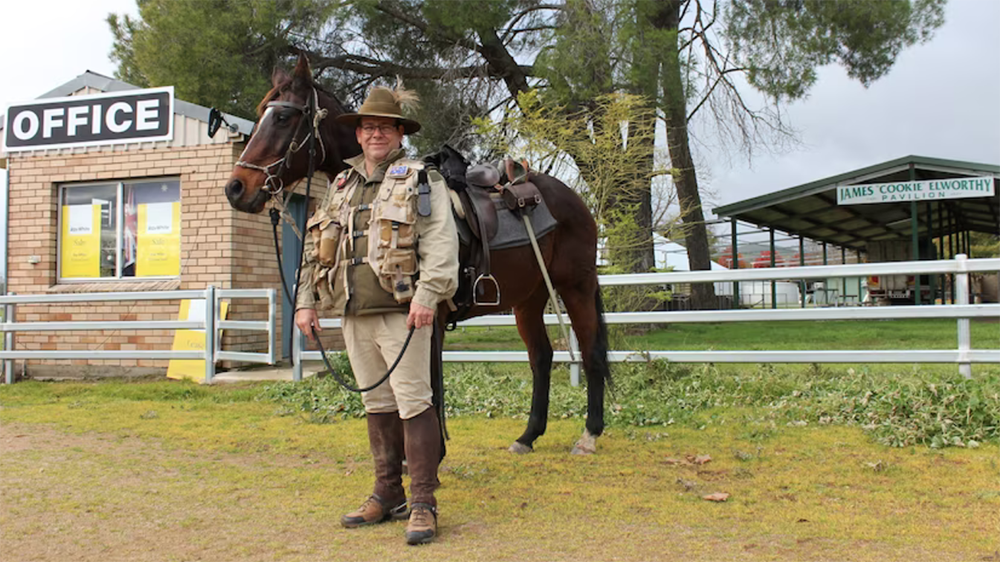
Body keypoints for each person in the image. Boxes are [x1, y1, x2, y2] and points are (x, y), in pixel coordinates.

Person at [294, 84, 458, 546]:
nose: (375, 134)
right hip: (352, 311)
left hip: (403, 313)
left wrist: (429, 295)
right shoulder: (340, 185)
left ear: (400, 133)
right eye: (367, 127)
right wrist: (306, 299)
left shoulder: (422, 178)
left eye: (385, 127)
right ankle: (387, 492)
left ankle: (423, 502)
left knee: (413, 401)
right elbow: (315, 245)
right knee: (376, 403)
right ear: (359, 134)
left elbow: (441, 242)